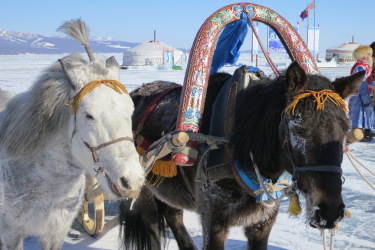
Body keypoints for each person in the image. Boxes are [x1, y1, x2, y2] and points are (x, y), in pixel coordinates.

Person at [348, 45, 374, 141]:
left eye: (369, 54)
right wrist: (365, 96)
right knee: (358, 113)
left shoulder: (364, 66)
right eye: (366, 54)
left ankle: (366, 130)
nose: (368, 56)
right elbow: (362, 83)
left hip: (363, 94)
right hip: (360, 94)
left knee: (364, 112)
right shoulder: (360, 67)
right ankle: (357, 132)